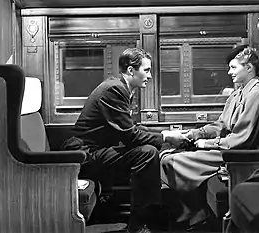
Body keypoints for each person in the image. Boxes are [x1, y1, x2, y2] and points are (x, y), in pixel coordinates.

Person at [61, 47, 188, 233]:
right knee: (146, 153)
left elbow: (133, 129)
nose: (150, 76)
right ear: (131, 70)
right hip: (83, 154)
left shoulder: (121, 88)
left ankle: (149, 217)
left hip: (95, 151)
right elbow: (131, 136)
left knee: (147, 150)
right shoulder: (114, 89)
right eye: (147, 70)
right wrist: (166, 137)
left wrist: (166, 133)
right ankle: (139, 225)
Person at [160, 44, 259, 229]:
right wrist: (194, 134)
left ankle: (195, 215)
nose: (229, 72)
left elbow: (242, 139)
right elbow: (221, 125)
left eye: (233, 67)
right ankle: (195, 214)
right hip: (225, 147)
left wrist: (207, 143)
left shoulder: (258, 94)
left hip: (237, 155)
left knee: (171, 161)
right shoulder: (237, 93)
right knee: (166, 155)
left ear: (249, 67)